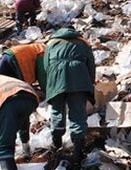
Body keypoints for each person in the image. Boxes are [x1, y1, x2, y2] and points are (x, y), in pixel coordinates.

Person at [39, 27, 95, 165]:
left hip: (56, 77)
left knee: (57, 110)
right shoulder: (82, 43)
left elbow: (46, 65)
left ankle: (57, 146)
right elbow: (91, 65)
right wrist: (90, 83)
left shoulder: (51, 43)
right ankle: (77, 153)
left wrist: (50, 85)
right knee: (78, 113)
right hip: (79, 77)